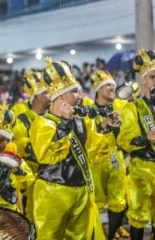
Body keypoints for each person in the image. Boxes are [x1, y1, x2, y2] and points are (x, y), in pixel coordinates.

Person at [30, 58, 112, 240]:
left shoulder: (81, 122)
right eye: (75, 92)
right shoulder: (42, 123)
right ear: (60, 96)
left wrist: (108, 128)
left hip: (80, 191)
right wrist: (65, 124)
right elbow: (47, 155)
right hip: (52, 193)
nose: (80, 96)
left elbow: (95, 152)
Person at [82, 70, 128, 239]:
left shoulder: (120, 108)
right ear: (98, 89)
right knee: (97, 202)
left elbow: (125, 138)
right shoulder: (88, 111)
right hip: (96, 161)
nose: (112, 88)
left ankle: (110, 236)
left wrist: (118, 127)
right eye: (108, 85)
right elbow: (88, 137)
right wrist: (102, 125)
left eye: (113, 85)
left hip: (116, 158)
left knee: (118, 201)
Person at [117, 49, 155, 240]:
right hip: (141, 168)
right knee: (138, 216)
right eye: (153, 77)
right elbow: (124, 141)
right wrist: (145, 137)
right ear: (144, 81)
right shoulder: (132, 108)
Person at [12, 69, 50, 220]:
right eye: (46, 93)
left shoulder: (53, 117)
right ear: (35, 97)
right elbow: (18, 144)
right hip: (31, 180)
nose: (51, 96)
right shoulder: (23, 119)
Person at [0, 106, 35, 212]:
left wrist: (15, 172)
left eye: (2, 140)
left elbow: (28, 180)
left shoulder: (13, 159)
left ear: (8, 141)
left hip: (7, 210)